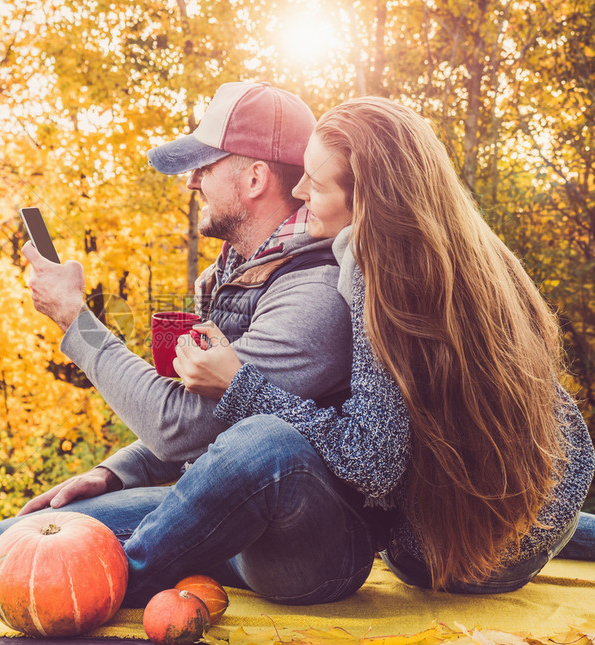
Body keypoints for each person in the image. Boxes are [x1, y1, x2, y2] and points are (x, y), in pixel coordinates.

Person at [0, 81, 357, 627]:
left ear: (254, 177)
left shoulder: (314, 292)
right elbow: (205, 427)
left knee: (27, 572)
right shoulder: (226, 278)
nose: (193, 180)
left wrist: (74, 322)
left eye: (206, 165)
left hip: (298, 547)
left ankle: (105, 580)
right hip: (219, 512)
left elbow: (182, 425)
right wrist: (115, 471)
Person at [173, 96, 595, 591]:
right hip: (557, 492)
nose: (301, 190)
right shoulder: (479, 253)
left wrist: (239, 385)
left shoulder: (375, 274)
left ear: (368, 201)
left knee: (385, 529)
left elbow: (372, 461)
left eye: (317, 182)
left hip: (468, 559)